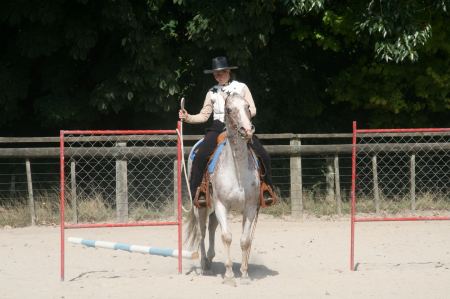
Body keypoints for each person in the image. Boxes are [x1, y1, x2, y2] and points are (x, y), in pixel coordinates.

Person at [179, 56, 275, 206]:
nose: (219, 75)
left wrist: (242, 117)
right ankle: (199, 192)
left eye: (222, 72)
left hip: (240, 126)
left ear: (229, 71)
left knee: (263, 155)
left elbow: (253, 109)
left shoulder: (242, 87)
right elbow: (204, 116)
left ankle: (266, 188)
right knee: (200, 156)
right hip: (218, 126)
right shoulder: (212, 92)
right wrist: (188, 117)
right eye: (216, 73)